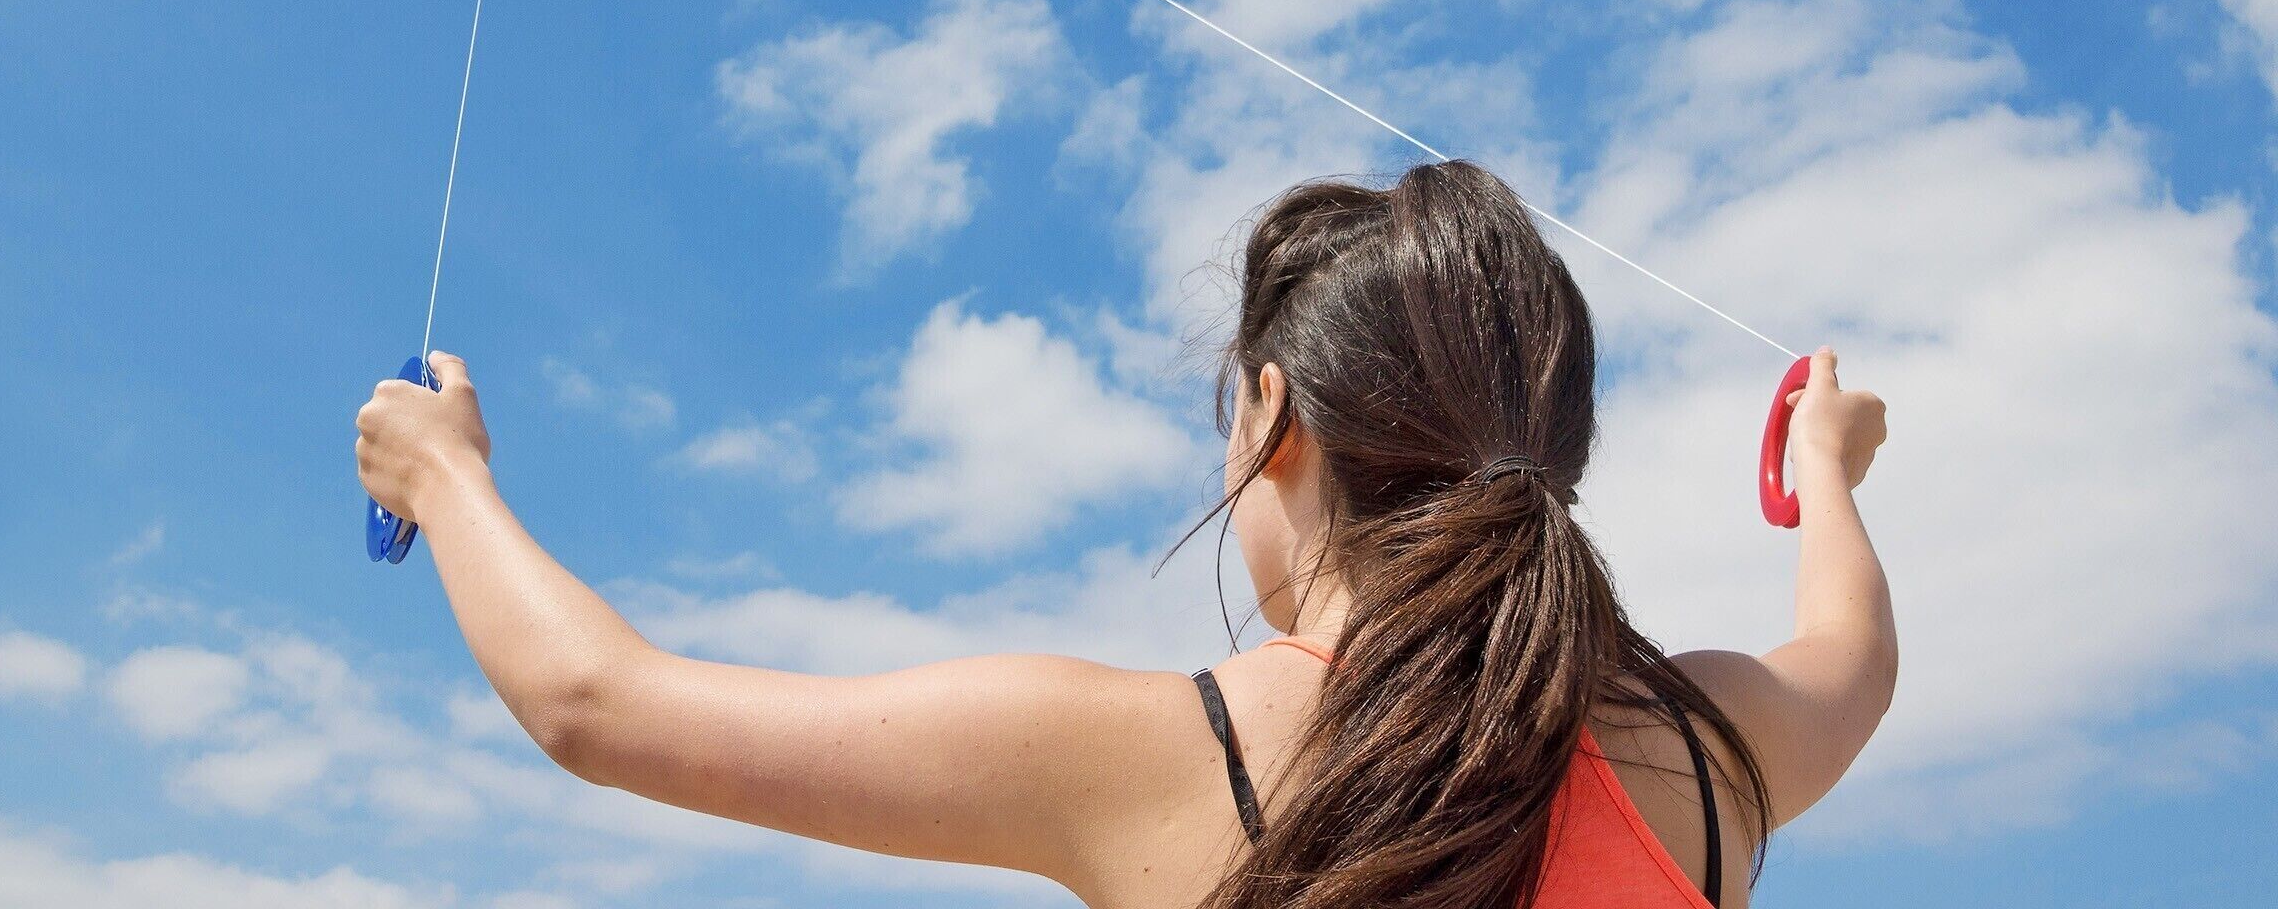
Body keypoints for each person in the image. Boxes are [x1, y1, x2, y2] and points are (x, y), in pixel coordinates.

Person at [356, 159, 1893, 909]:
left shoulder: (1168, 757)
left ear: (1274, 418)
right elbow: (1850, 660)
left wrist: (446, 479)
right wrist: (1824, 470)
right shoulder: (1702, 759)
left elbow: (597, 705)